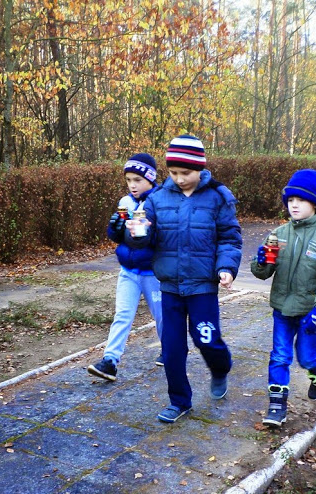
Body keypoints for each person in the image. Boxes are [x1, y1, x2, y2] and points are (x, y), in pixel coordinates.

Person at [126, 134, 242, 424]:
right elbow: (143, 240)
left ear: (200, 168)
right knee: (172, 348)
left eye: (186, 173)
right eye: (174, 172)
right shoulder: (156, 199)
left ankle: (220, 368)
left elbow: (230, 238)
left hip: (203, 286)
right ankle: (179, 401)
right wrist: (136, 232)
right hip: (170, 286)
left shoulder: (218, 197)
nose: (179, 179)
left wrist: (226, 267)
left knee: (206, 339)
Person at [251, 169, 316, 427]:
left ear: (315, 204)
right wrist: (261, 262)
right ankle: (277, 406)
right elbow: (263, 273)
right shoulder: (279, 234)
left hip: (309, 311)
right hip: (282, 308)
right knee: (280, 356)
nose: (294, 204)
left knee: (306, 357)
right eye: (290, 199)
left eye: (301, 199)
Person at [87, 153, 164, 382]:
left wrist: (147, 232)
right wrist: (115, 228)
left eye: (138, 180)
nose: (132, 185)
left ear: (150, 178)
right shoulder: (126, 202)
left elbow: (165, 238)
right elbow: (117, 237)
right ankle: (110, 362)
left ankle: (170, 350)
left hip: (153, 273)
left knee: (162, 317)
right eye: (129, 180)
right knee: (122, 315)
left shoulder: (160, 202)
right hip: (128, 271)